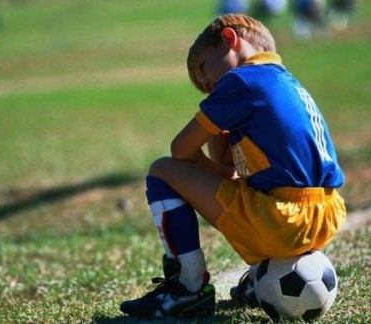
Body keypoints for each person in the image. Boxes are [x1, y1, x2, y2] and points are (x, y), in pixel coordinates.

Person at [119, 13, 347, 319]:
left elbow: (180, 149)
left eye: (204, 71)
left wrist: (205, 162)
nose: (209, 86)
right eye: (204, 88)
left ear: (229, 39)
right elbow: (229, 168)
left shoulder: (242, 81)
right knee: (244, 191)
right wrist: (221, 131)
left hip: (282, 220)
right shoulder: (283, 80)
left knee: (162, 170)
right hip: (327, 214)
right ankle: (258, 277)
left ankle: (188, 288)